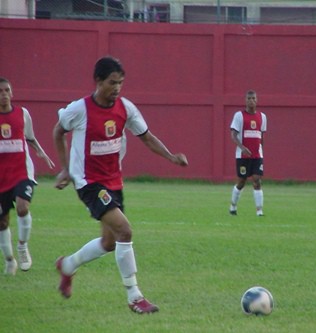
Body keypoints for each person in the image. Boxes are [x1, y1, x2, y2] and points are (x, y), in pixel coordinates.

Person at [53, 56, 188, 314]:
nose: (117, 88)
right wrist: (65, 169)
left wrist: (171, 157)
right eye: (112, 83)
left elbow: (146, 138)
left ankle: (68, 266)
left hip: (114, 181)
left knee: (110, 242)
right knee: (125, 231)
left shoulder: (126, 108)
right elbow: (58, 130)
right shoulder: (80, 109)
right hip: (89, 183)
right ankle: (134, 296)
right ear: (98, 81)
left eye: (121, 83)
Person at [0, 77, 55, 275]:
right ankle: (9, 260)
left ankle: (22, 247)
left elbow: (30, 137)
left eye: (7, 90)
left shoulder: (23, 114)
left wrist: (42, 153)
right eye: (1, 91)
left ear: (12, 93)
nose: (4, 94)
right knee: (2, 221)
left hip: (22, 172)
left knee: (23, 208)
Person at [229, 90, 267, 216]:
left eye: (254, 98)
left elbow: (261, 135)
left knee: (257, 180)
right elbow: (233, 135)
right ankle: (233, 206)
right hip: (242, 155)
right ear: (245, 100)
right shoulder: (239, 116)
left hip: (257, 155)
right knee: (241, 181)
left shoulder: (262, 117)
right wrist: (242, 147)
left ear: (257, 100)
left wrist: (261, 149)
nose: (251, 100)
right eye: (249, 98)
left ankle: (259, 211)